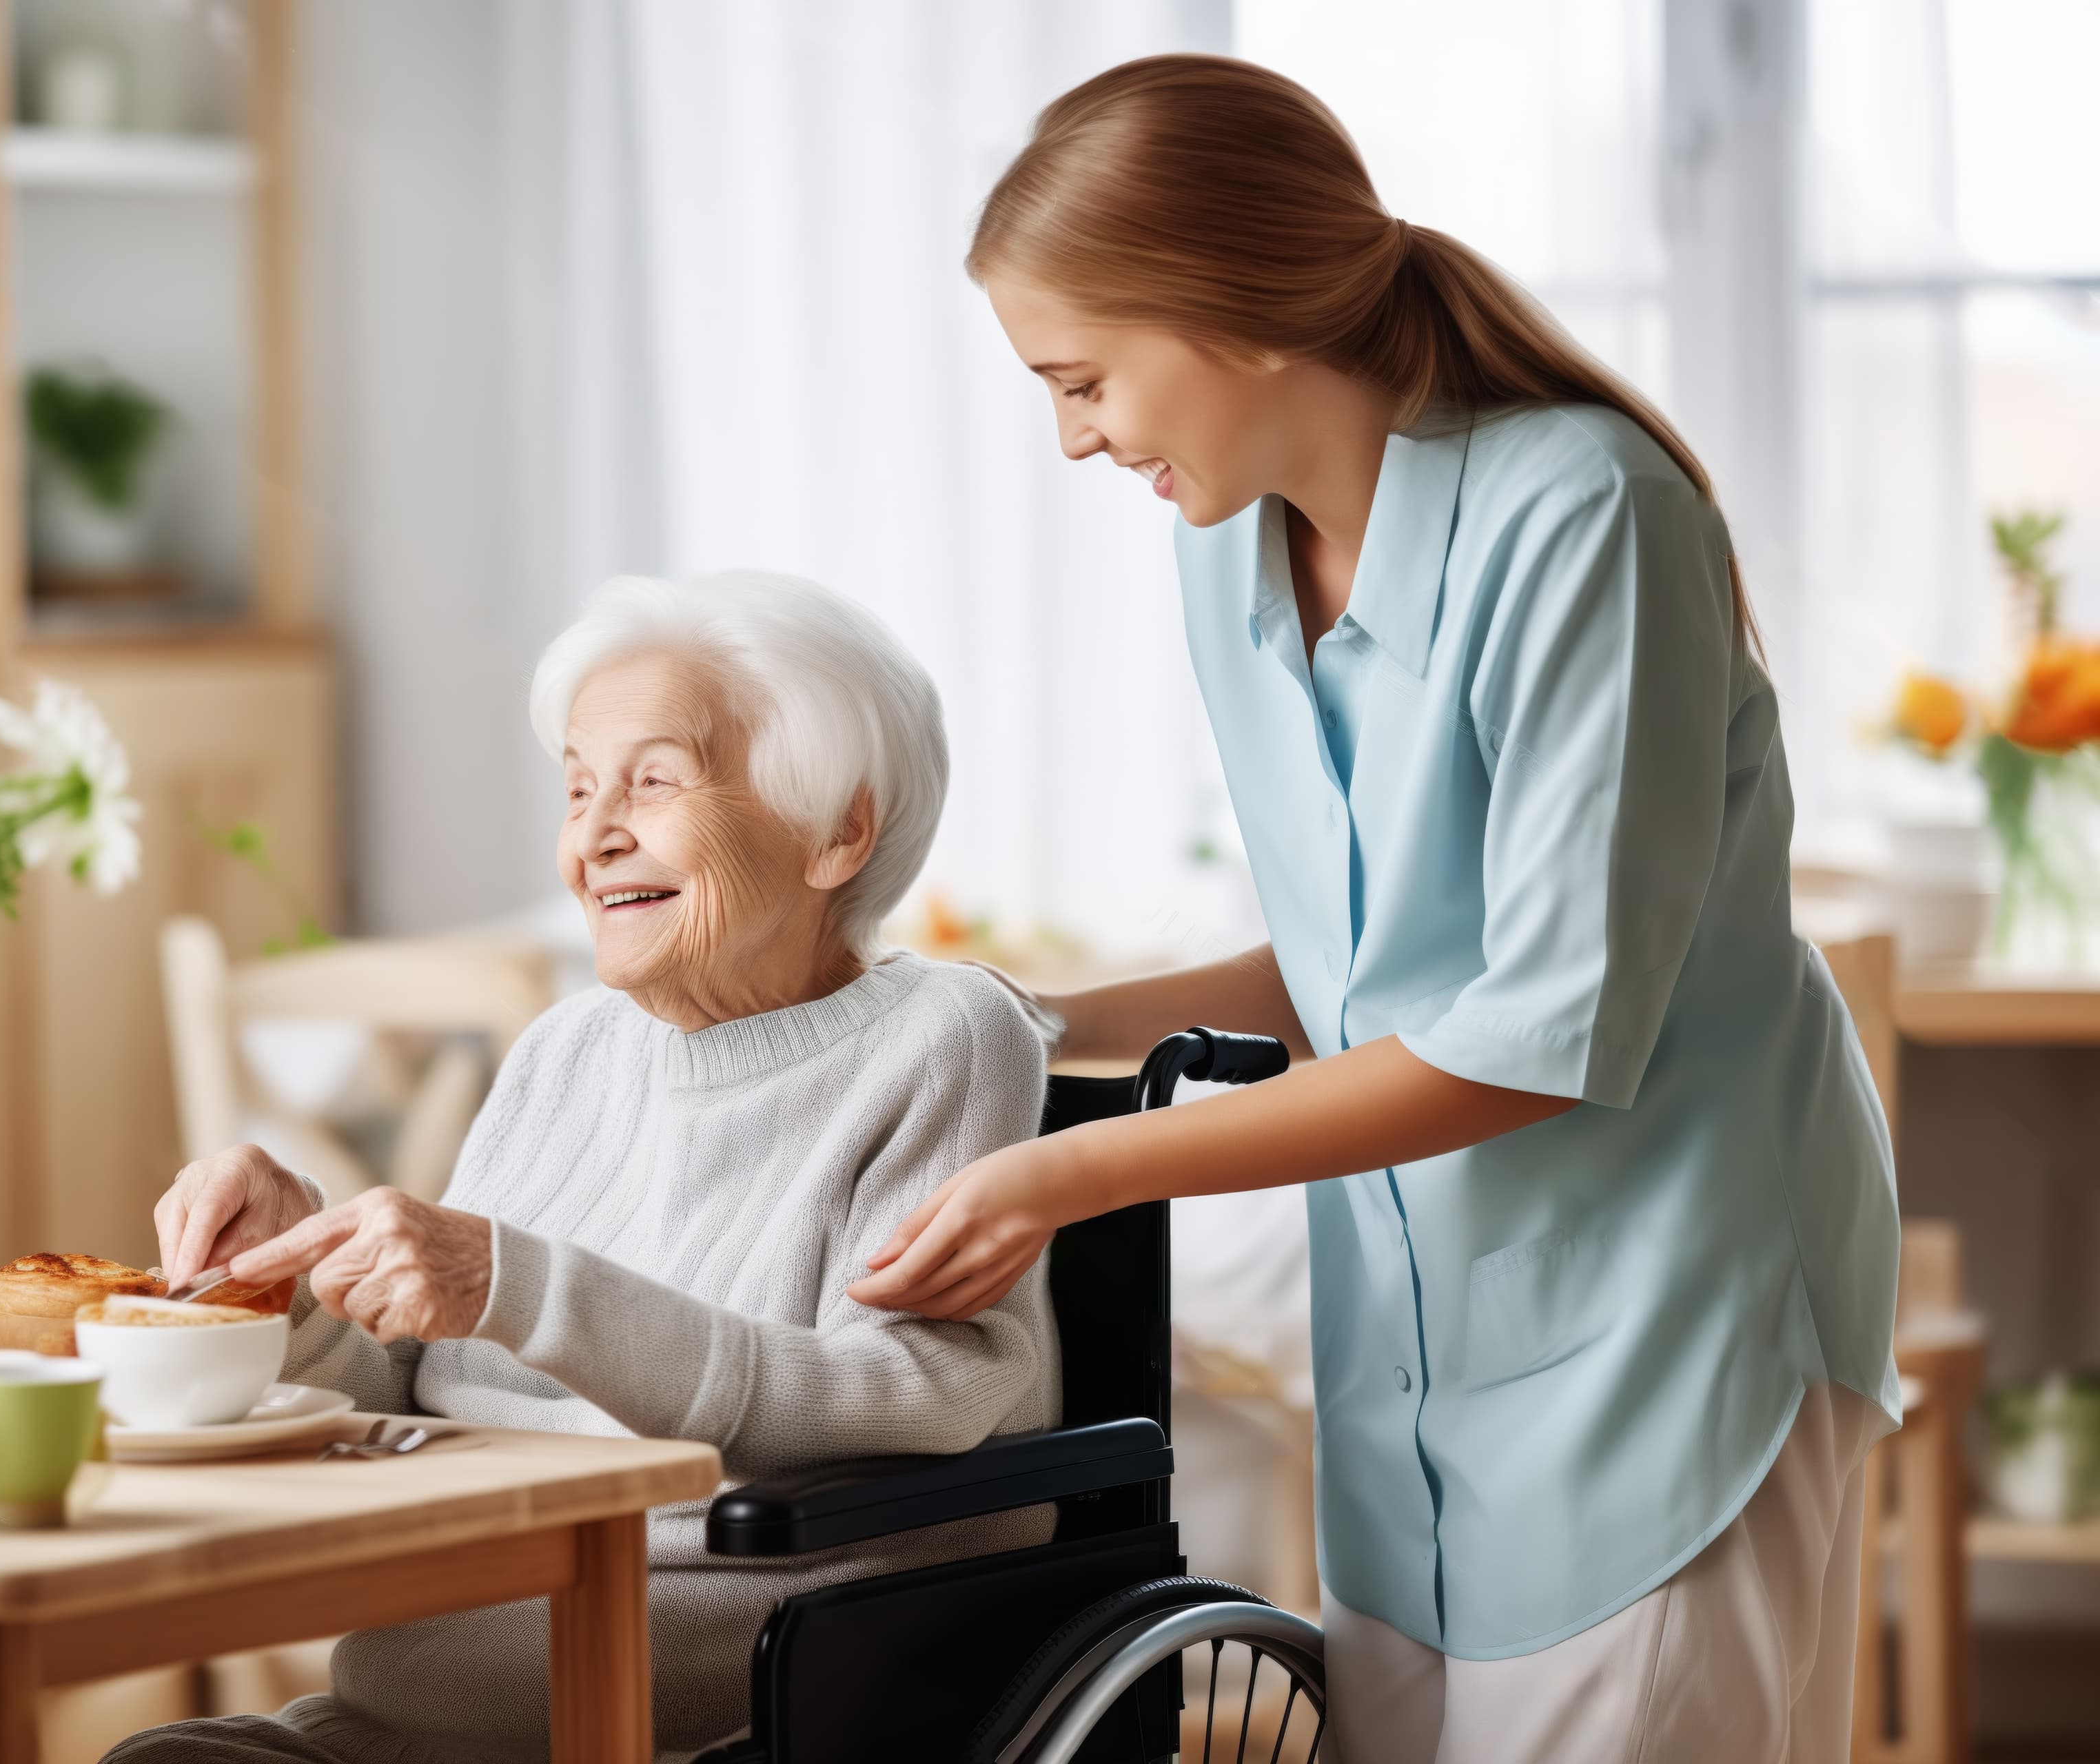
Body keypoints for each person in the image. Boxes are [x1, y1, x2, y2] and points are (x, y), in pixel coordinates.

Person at [846, 56, 1900, 1764]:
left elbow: (1532, 1032)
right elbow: (1355, 969)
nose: (1076, 435)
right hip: (1415, 1377)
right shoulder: (1226, 548)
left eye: (1084, 378)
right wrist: (1026, 1019)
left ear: (1233, 308)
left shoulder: (1583, 513)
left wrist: (1082, 1165)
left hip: (1663, 1338)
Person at [108, 572, 1058, 1764]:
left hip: (725, 1716)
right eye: (576, 788)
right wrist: (291, 1289)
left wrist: (523, 1284)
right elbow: (407, 1398)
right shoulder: (565, 1053)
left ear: (839, 833)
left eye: (653, 782)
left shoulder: (945, 1035)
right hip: (411, 1712)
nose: (594, 835)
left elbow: (922, 1391)